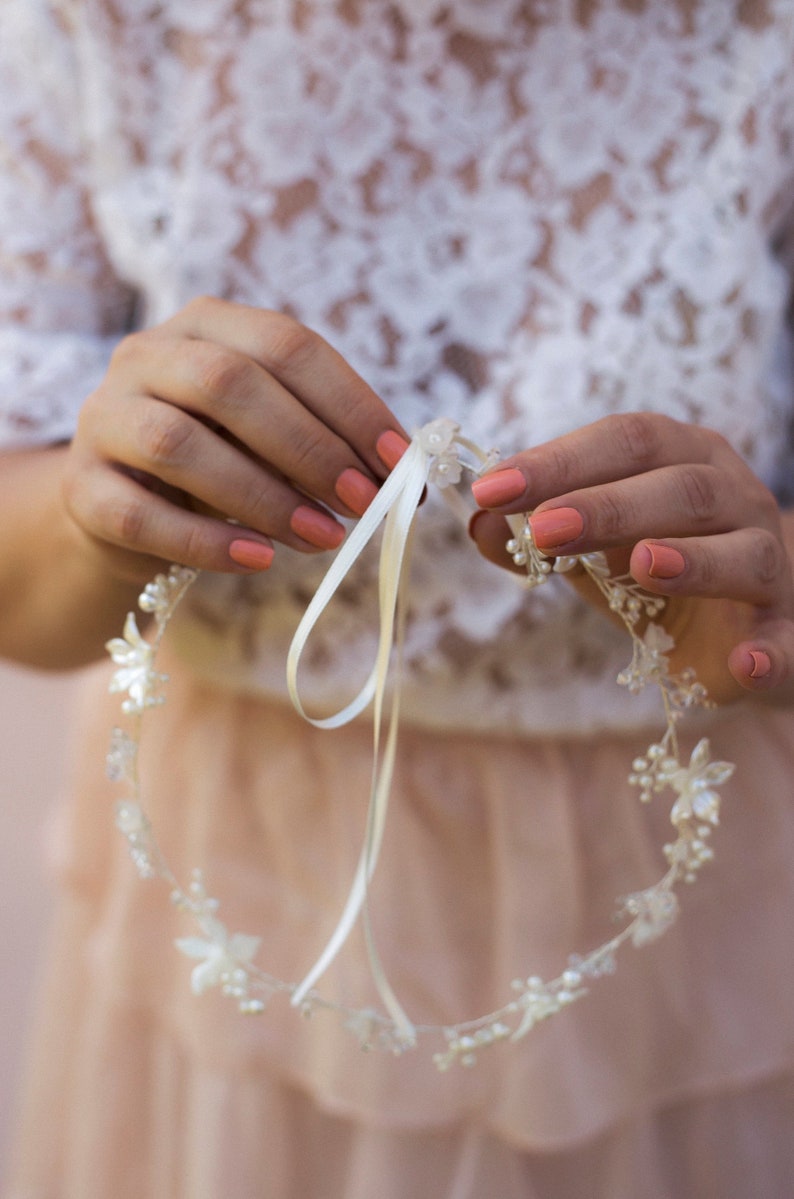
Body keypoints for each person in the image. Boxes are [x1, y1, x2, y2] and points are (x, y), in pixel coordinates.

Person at [2, 0, 794, 1195]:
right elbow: (22, 599)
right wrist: (98, 497)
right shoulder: (99, 23)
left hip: (690, 959)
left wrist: (759, 600)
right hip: (236, 904)